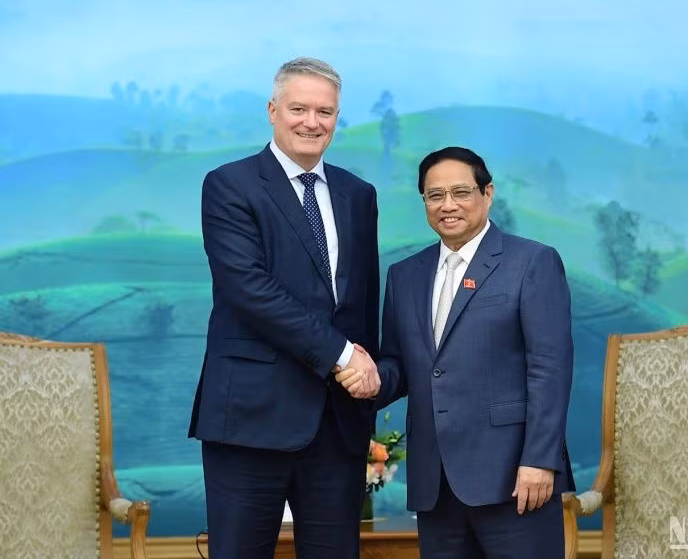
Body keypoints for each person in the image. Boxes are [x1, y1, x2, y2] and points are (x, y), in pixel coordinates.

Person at [337, 146, 575, 558]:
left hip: (515, 479)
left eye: (461, 192)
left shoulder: (532, 262)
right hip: (436, 486)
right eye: (435, 195)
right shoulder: (405, 275)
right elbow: (402, 365)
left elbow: (549, 368)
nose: (448, 205)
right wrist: (368, 377)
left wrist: (540, 460)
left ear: (488, 193)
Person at [188, 57, 381, 559]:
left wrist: (370, 378)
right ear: (273, 110)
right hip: (250, 419)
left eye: (325, 111)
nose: (311, 122)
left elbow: (360, 303)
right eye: (299, 108)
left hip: (337, 426)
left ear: (337, 117)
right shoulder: (230, 185)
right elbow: (249, 289)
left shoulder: (359, 195)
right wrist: (344, 357)